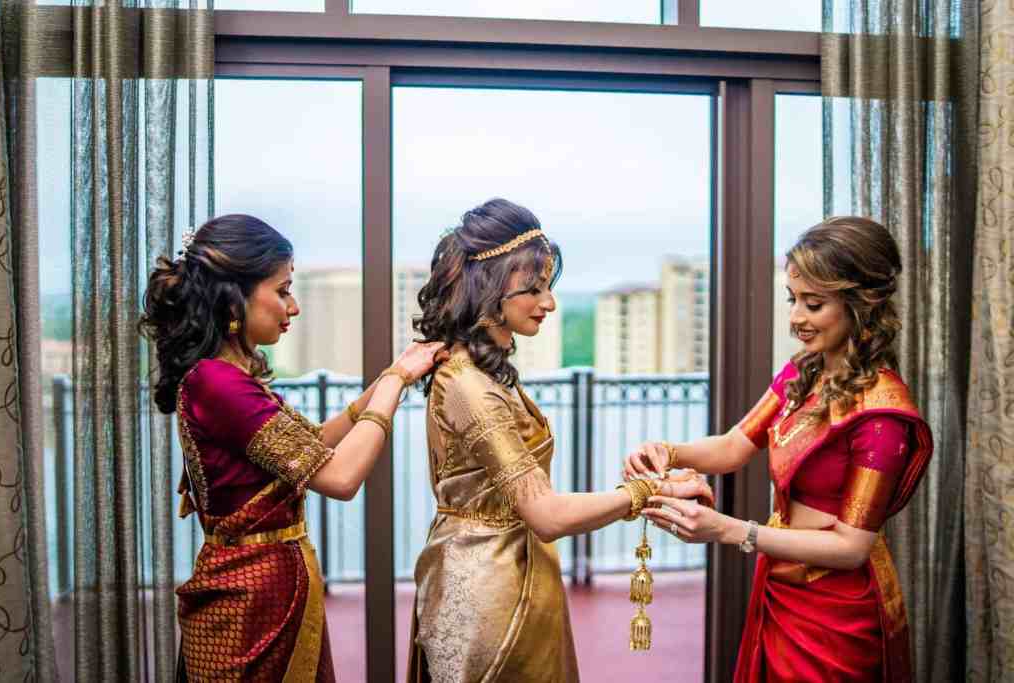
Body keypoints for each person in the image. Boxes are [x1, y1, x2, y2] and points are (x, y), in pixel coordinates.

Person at [405, 198, 713, 683]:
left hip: (509, 570)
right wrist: (649, 491)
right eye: (534, 289)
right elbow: (545, 515)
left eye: (548, 287)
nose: (548, 303)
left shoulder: (484, 372)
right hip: (487, 589)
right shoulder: (470, 386)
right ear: (488, 290)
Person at [625, 216, 933, 682]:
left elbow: (851, 548)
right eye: (793, 300)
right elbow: (733, 446)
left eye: (813, 304)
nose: (795, 318)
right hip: (781, 582)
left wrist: (732, 530)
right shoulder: (804, 372)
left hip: (836, 612)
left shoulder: (882, 416)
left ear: (860, 306)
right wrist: (670, 451)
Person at [138, 214, 443, 682]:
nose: (293, 306)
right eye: (282, 290)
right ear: (234, 296)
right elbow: (340, 478)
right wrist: (397, 383)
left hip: (269, 591)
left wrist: (394, 374)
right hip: (251, 605)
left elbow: (311, 445)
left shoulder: (222, 376)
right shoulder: (218, 382)